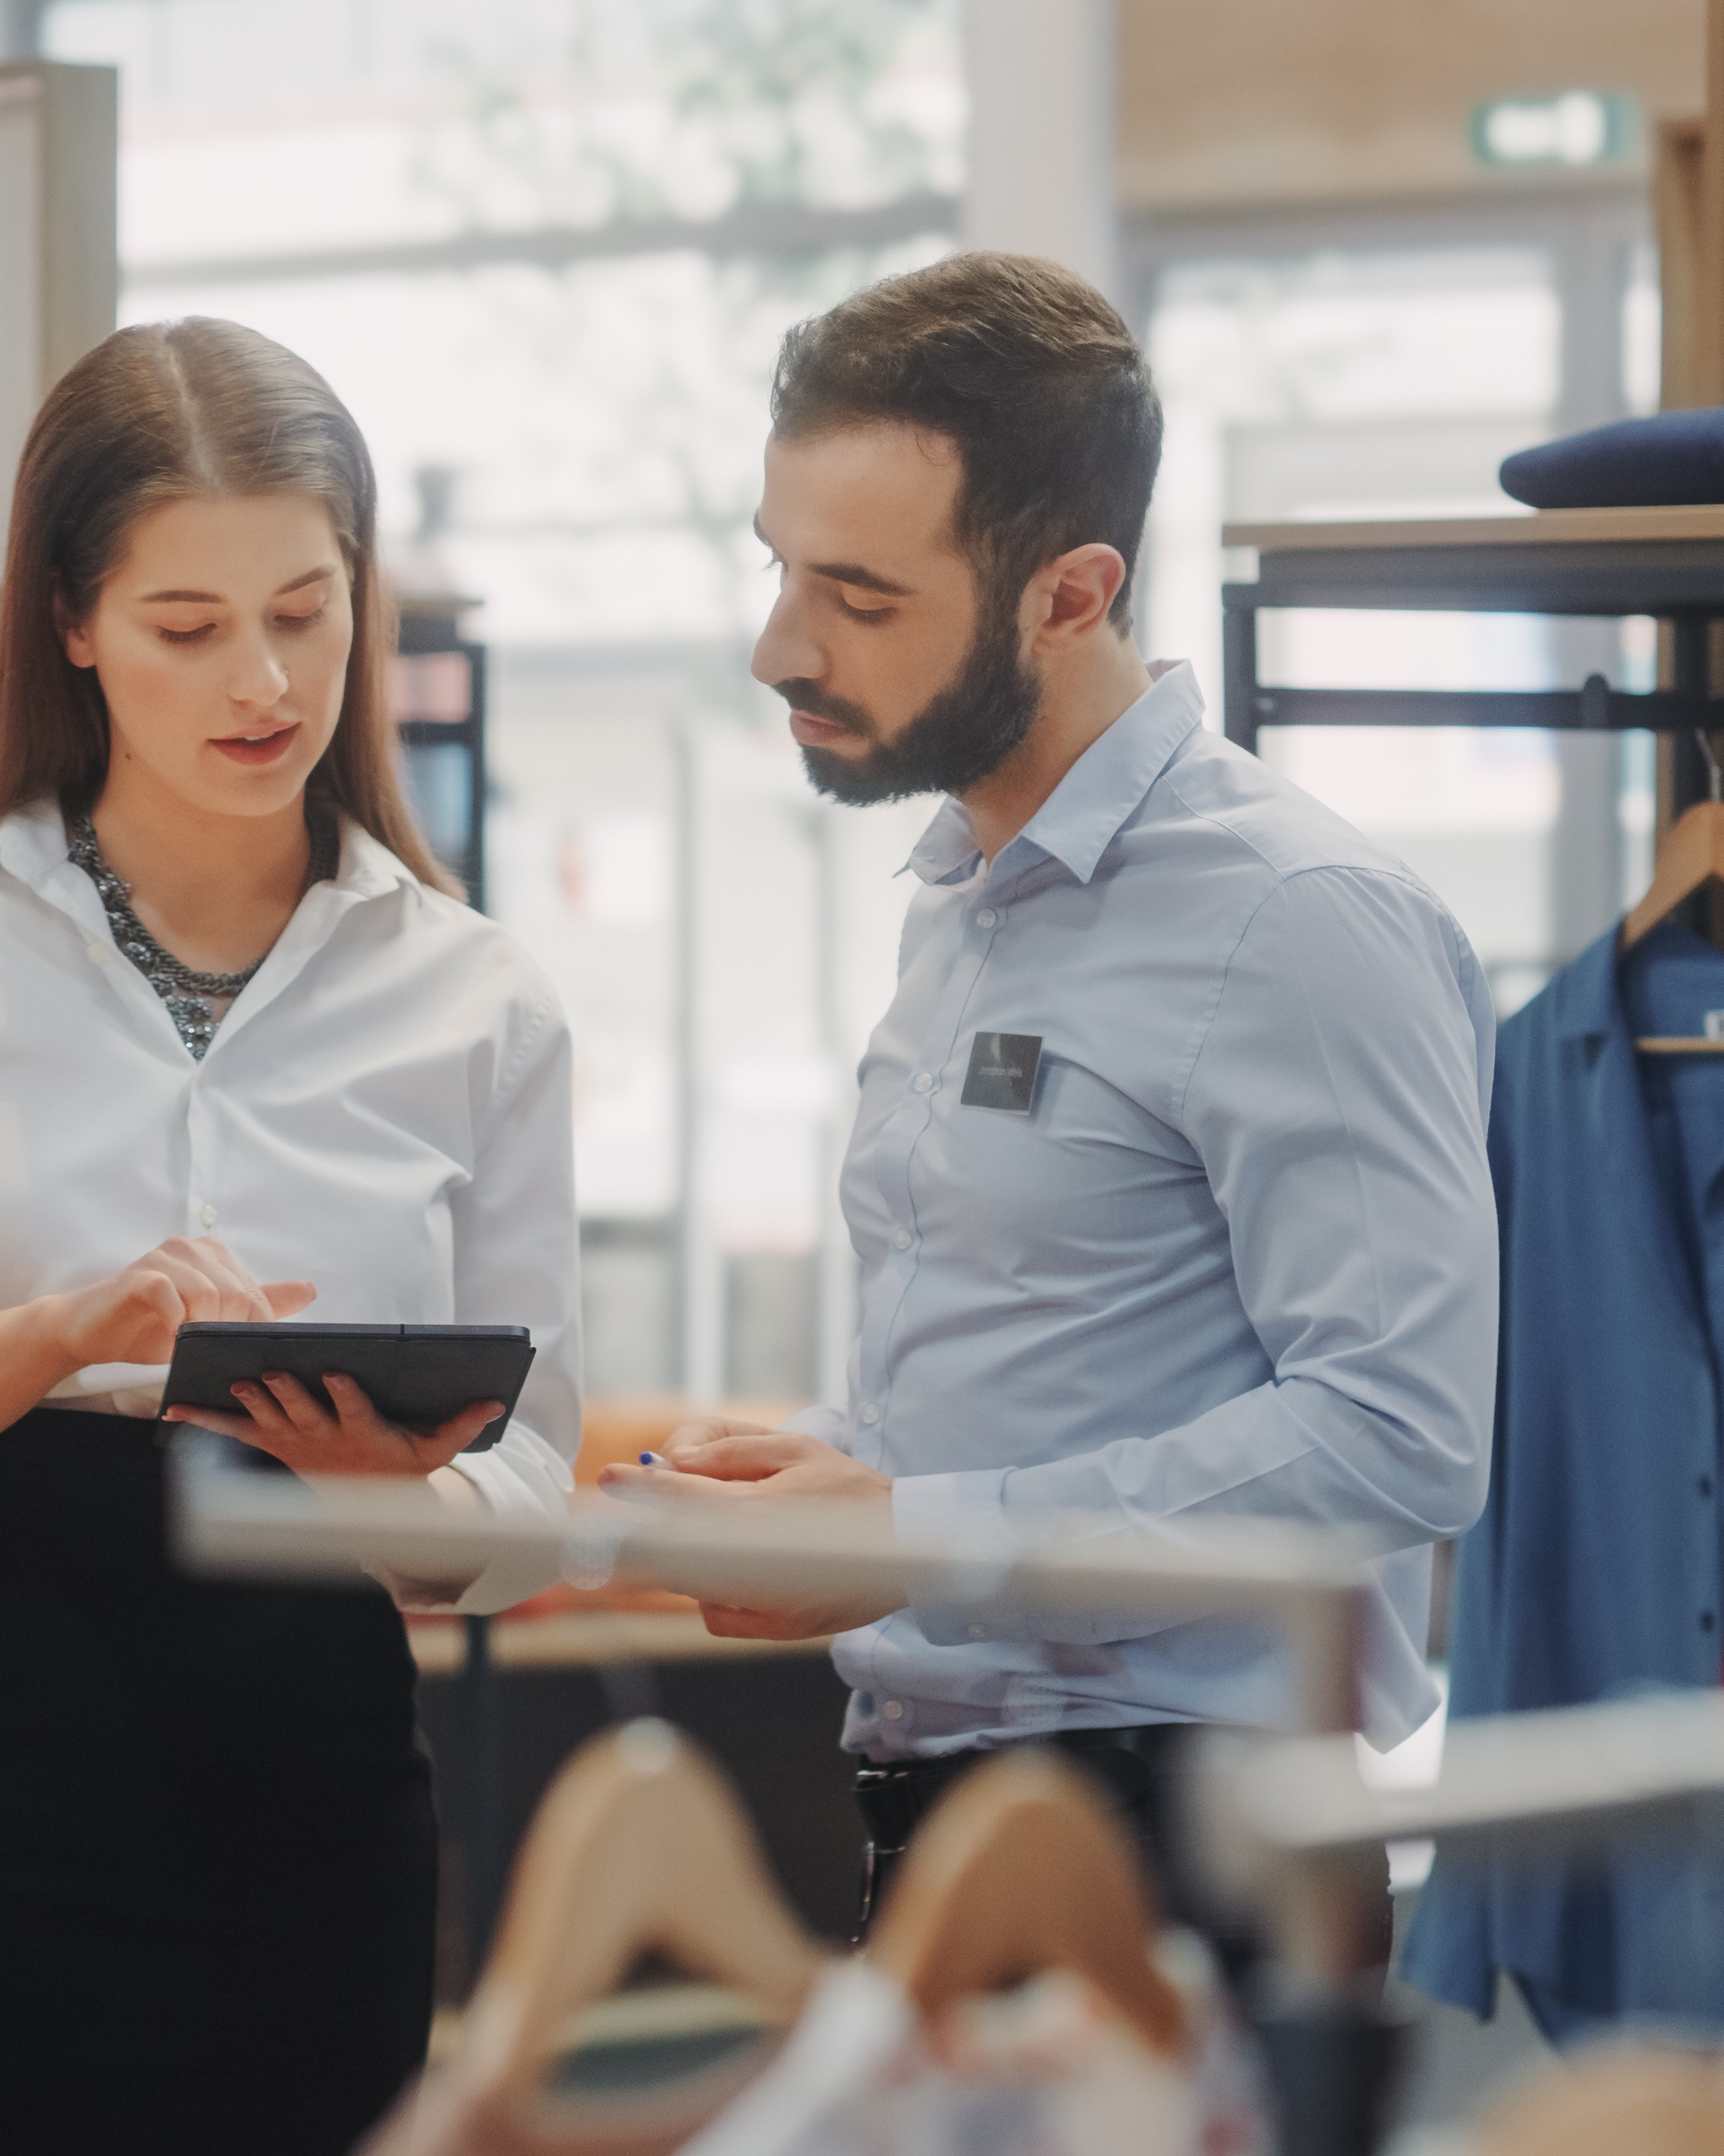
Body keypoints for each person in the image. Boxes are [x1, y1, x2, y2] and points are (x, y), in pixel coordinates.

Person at [0, 317, 584, 2156]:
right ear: (71, 625)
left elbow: (529, 1501)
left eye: (305, 609)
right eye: (187, 625)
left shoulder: (477, 998)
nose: (263, 680)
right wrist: (54, 1338)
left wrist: (384, 1486)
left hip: (300, 1767)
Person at [609, 253, 1499, 1974]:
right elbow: (1031, 1359)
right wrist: (838, 1471)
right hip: (937, 1802)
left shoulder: (1295, 920)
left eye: (860, 599)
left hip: (1186, 1844)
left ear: (1069, 594)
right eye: (779, 569)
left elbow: (1400, 1430)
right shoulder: (962, 885)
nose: (777, 646)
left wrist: (915, 1531)